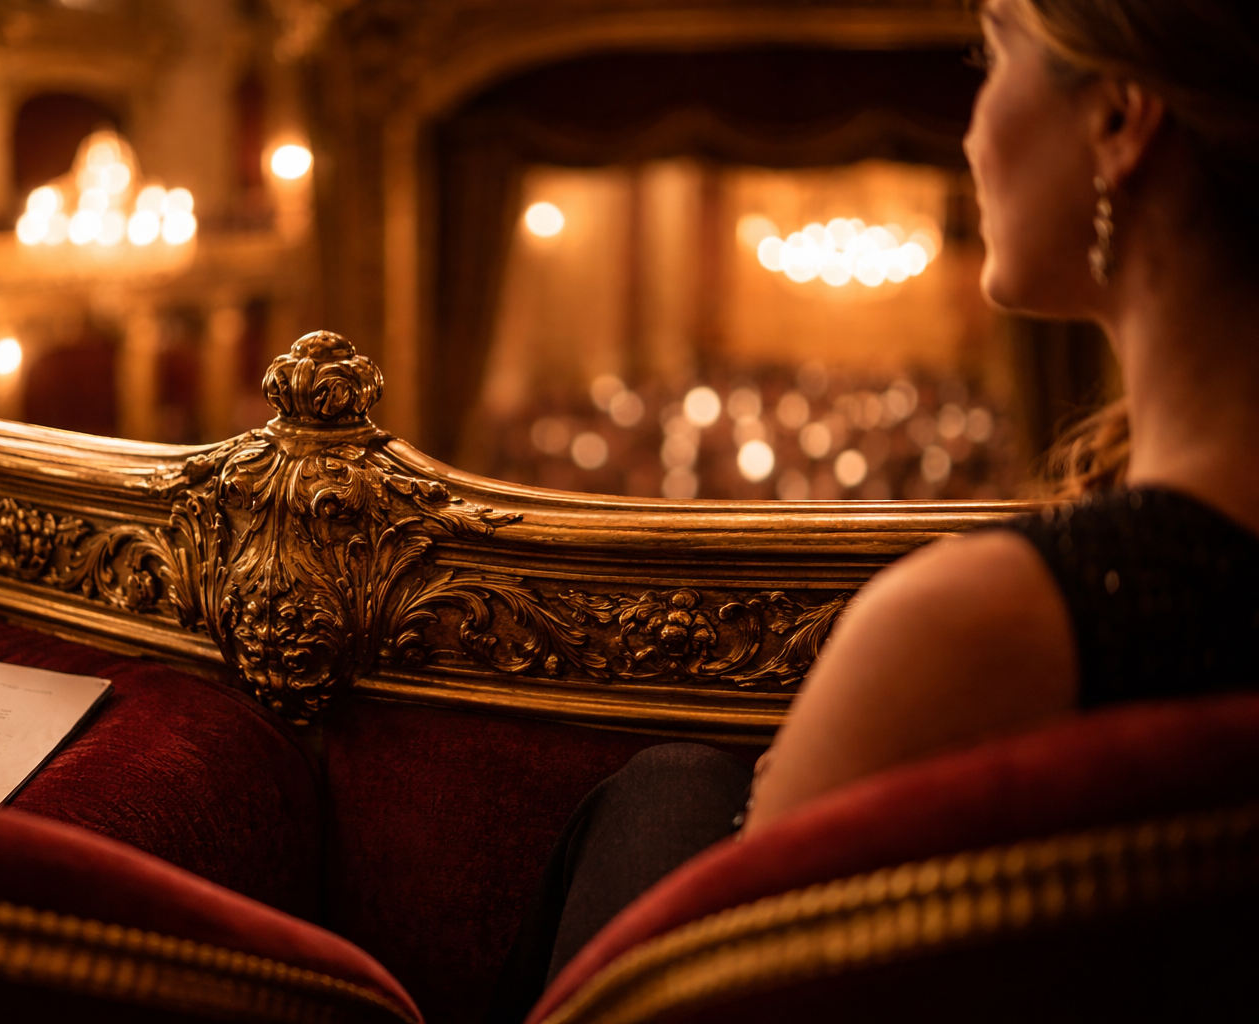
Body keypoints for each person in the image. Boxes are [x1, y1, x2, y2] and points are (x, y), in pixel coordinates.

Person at [486, 1, 1259, 1019]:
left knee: (664, 787)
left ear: (1120, 122)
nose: (971, 127)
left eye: (992, 56)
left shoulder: (982, 624)